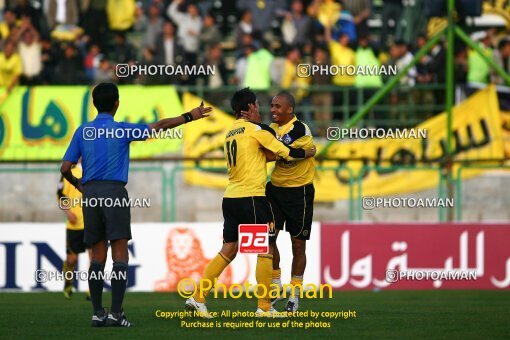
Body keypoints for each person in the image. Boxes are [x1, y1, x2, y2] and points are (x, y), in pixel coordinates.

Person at [60, 82, 211, 327]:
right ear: (116, 104)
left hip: (91, 195)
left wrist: (78, 184)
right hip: (114, 193)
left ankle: (97, 313)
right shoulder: (121, 130)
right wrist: (189, 116)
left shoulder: (82, 131)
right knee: (119, 254)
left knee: (97, 256)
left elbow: (65, 168)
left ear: (94, 104)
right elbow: (159, 126)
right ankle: (116, 314)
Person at [184, 88, 316, 318]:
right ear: (250, 108)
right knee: (264, 249)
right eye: (258, 105)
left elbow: (261, 154)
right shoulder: (257, 131)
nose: (262, 110)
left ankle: (197, 297)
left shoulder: (230, 133)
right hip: (252, 198)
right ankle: (264, 306)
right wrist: (309, 152)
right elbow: (284, 153)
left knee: (229, 249)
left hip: (230, 198)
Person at [241, 92, 315, 313]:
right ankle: (276, 285)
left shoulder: (300, 129)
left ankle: (294, 295)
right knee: (268, 240)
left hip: (299, 193)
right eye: (271, 106)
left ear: (289, 110)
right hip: (274, 190)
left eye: (277, 107)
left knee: (298, 245)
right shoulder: (272, 128)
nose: (273, 110)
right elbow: (270, 147)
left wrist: (260, 130)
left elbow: (276, 152)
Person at [57, 161, 92, 300]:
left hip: (92, 222)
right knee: (72, 260)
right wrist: (67, 212)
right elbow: (60, 194)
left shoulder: (96, 170)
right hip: (75, 224)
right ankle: (68, 282)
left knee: (94, 257)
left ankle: (92, 289)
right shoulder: (70, 172)